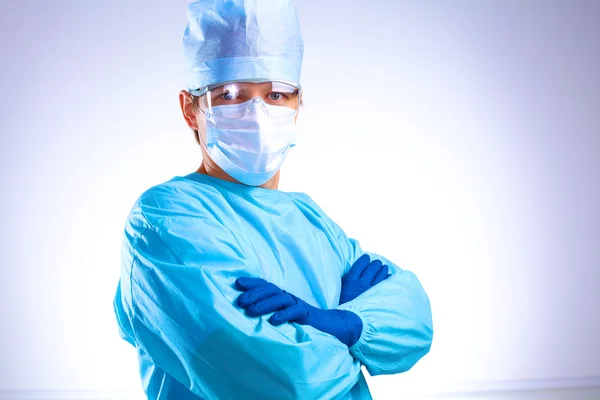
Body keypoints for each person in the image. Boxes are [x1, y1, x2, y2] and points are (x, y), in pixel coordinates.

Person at [113, 1, 433, 399]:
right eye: (229, 94)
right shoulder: (166, 217)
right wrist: (355, 330)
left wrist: (339, 324)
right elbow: (283, 379)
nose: (257, 112)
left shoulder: (310, 218)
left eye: (277, 94)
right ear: (190, 109)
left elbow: (415, 324)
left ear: (299, 104)